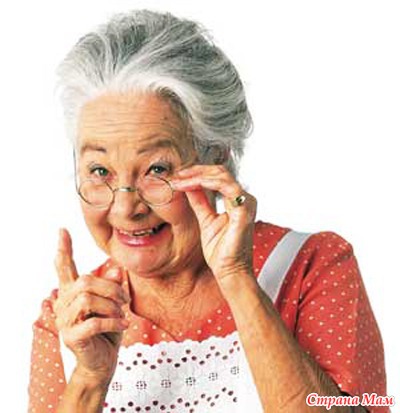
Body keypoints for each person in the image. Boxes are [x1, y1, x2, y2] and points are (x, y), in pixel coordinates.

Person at [28, 9, 388, 413]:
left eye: (156, 169)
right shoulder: (69, 319)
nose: (126, 207)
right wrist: (88, 379)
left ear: (215, 159)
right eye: (99, 171)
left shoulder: (312, 265)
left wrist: (237, 278)